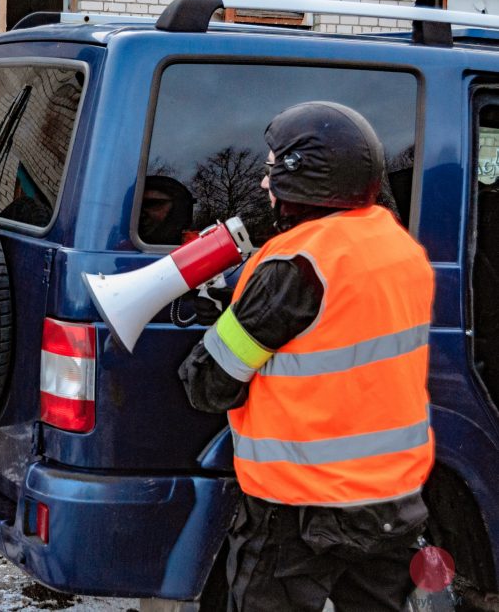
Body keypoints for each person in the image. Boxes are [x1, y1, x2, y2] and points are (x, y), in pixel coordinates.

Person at [178, 101, 435, 611]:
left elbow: (207, 385)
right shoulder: (400, 248)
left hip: (298, 511)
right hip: (392, 502)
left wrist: (231, 316)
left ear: (303, 180)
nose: (263, 184)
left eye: (272, 170)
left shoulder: (292, 265)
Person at [139, 175, 195, 245]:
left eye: (152, 204)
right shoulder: (126, 248)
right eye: (138, 206)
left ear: (178, 208)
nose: (140, 214)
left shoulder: (201, 247)